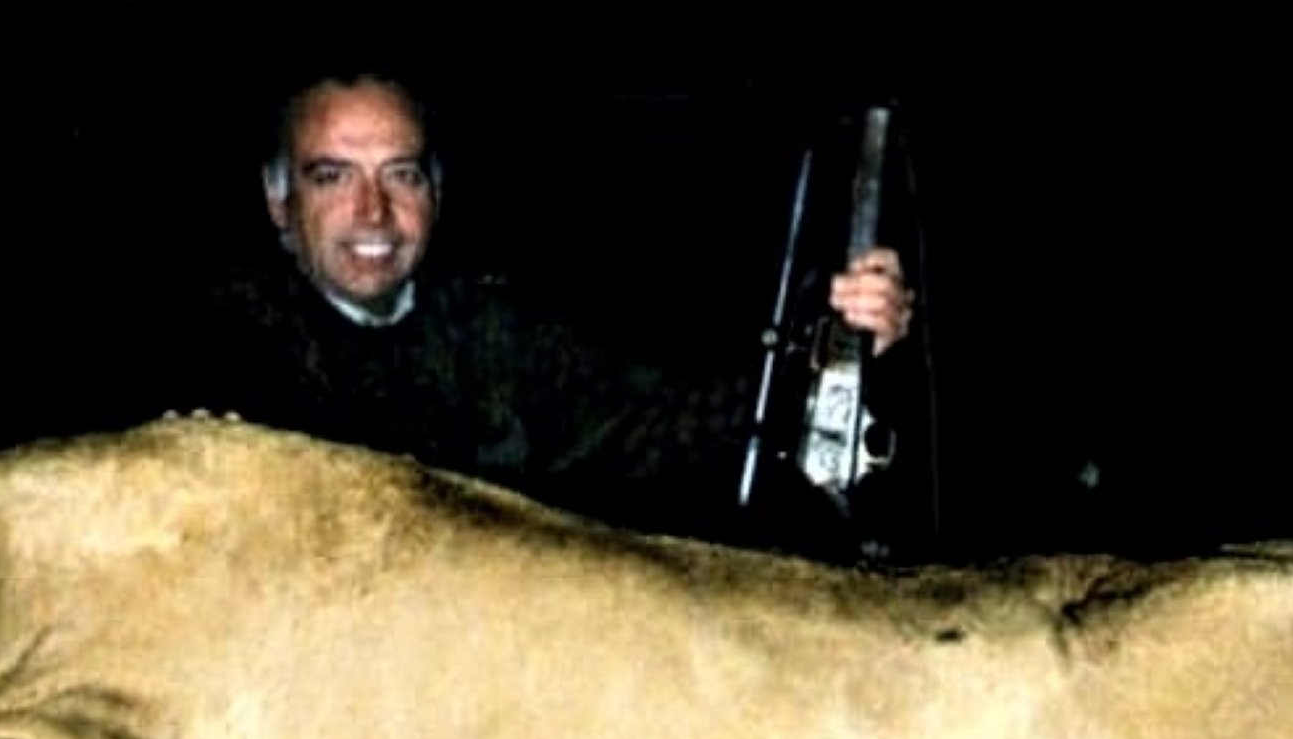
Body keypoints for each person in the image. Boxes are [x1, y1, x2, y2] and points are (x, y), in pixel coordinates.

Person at [159, 72, 922, 555]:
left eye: (400, 174)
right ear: (278, 200)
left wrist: (834, 350)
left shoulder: (496, 333)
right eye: (332, 176)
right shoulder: (216, 340)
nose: (373, 212)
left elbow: (674, 422)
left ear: (435, 193)